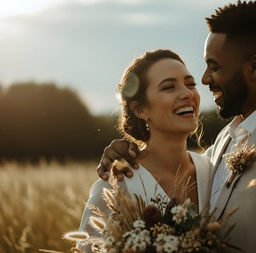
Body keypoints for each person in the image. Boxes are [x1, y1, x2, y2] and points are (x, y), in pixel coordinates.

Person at [97, 1, 256, 252]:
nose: (204, 80)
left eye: (214, 67)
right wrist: (125, 151)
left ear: (254, 67)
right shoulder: (228, 137)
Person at [78, 49, 213, 252]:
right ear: (140, 110)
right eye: (169, 87)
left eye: (190, 84)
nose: (187, 93)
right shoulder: (115, 189)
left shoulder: (214, 170)